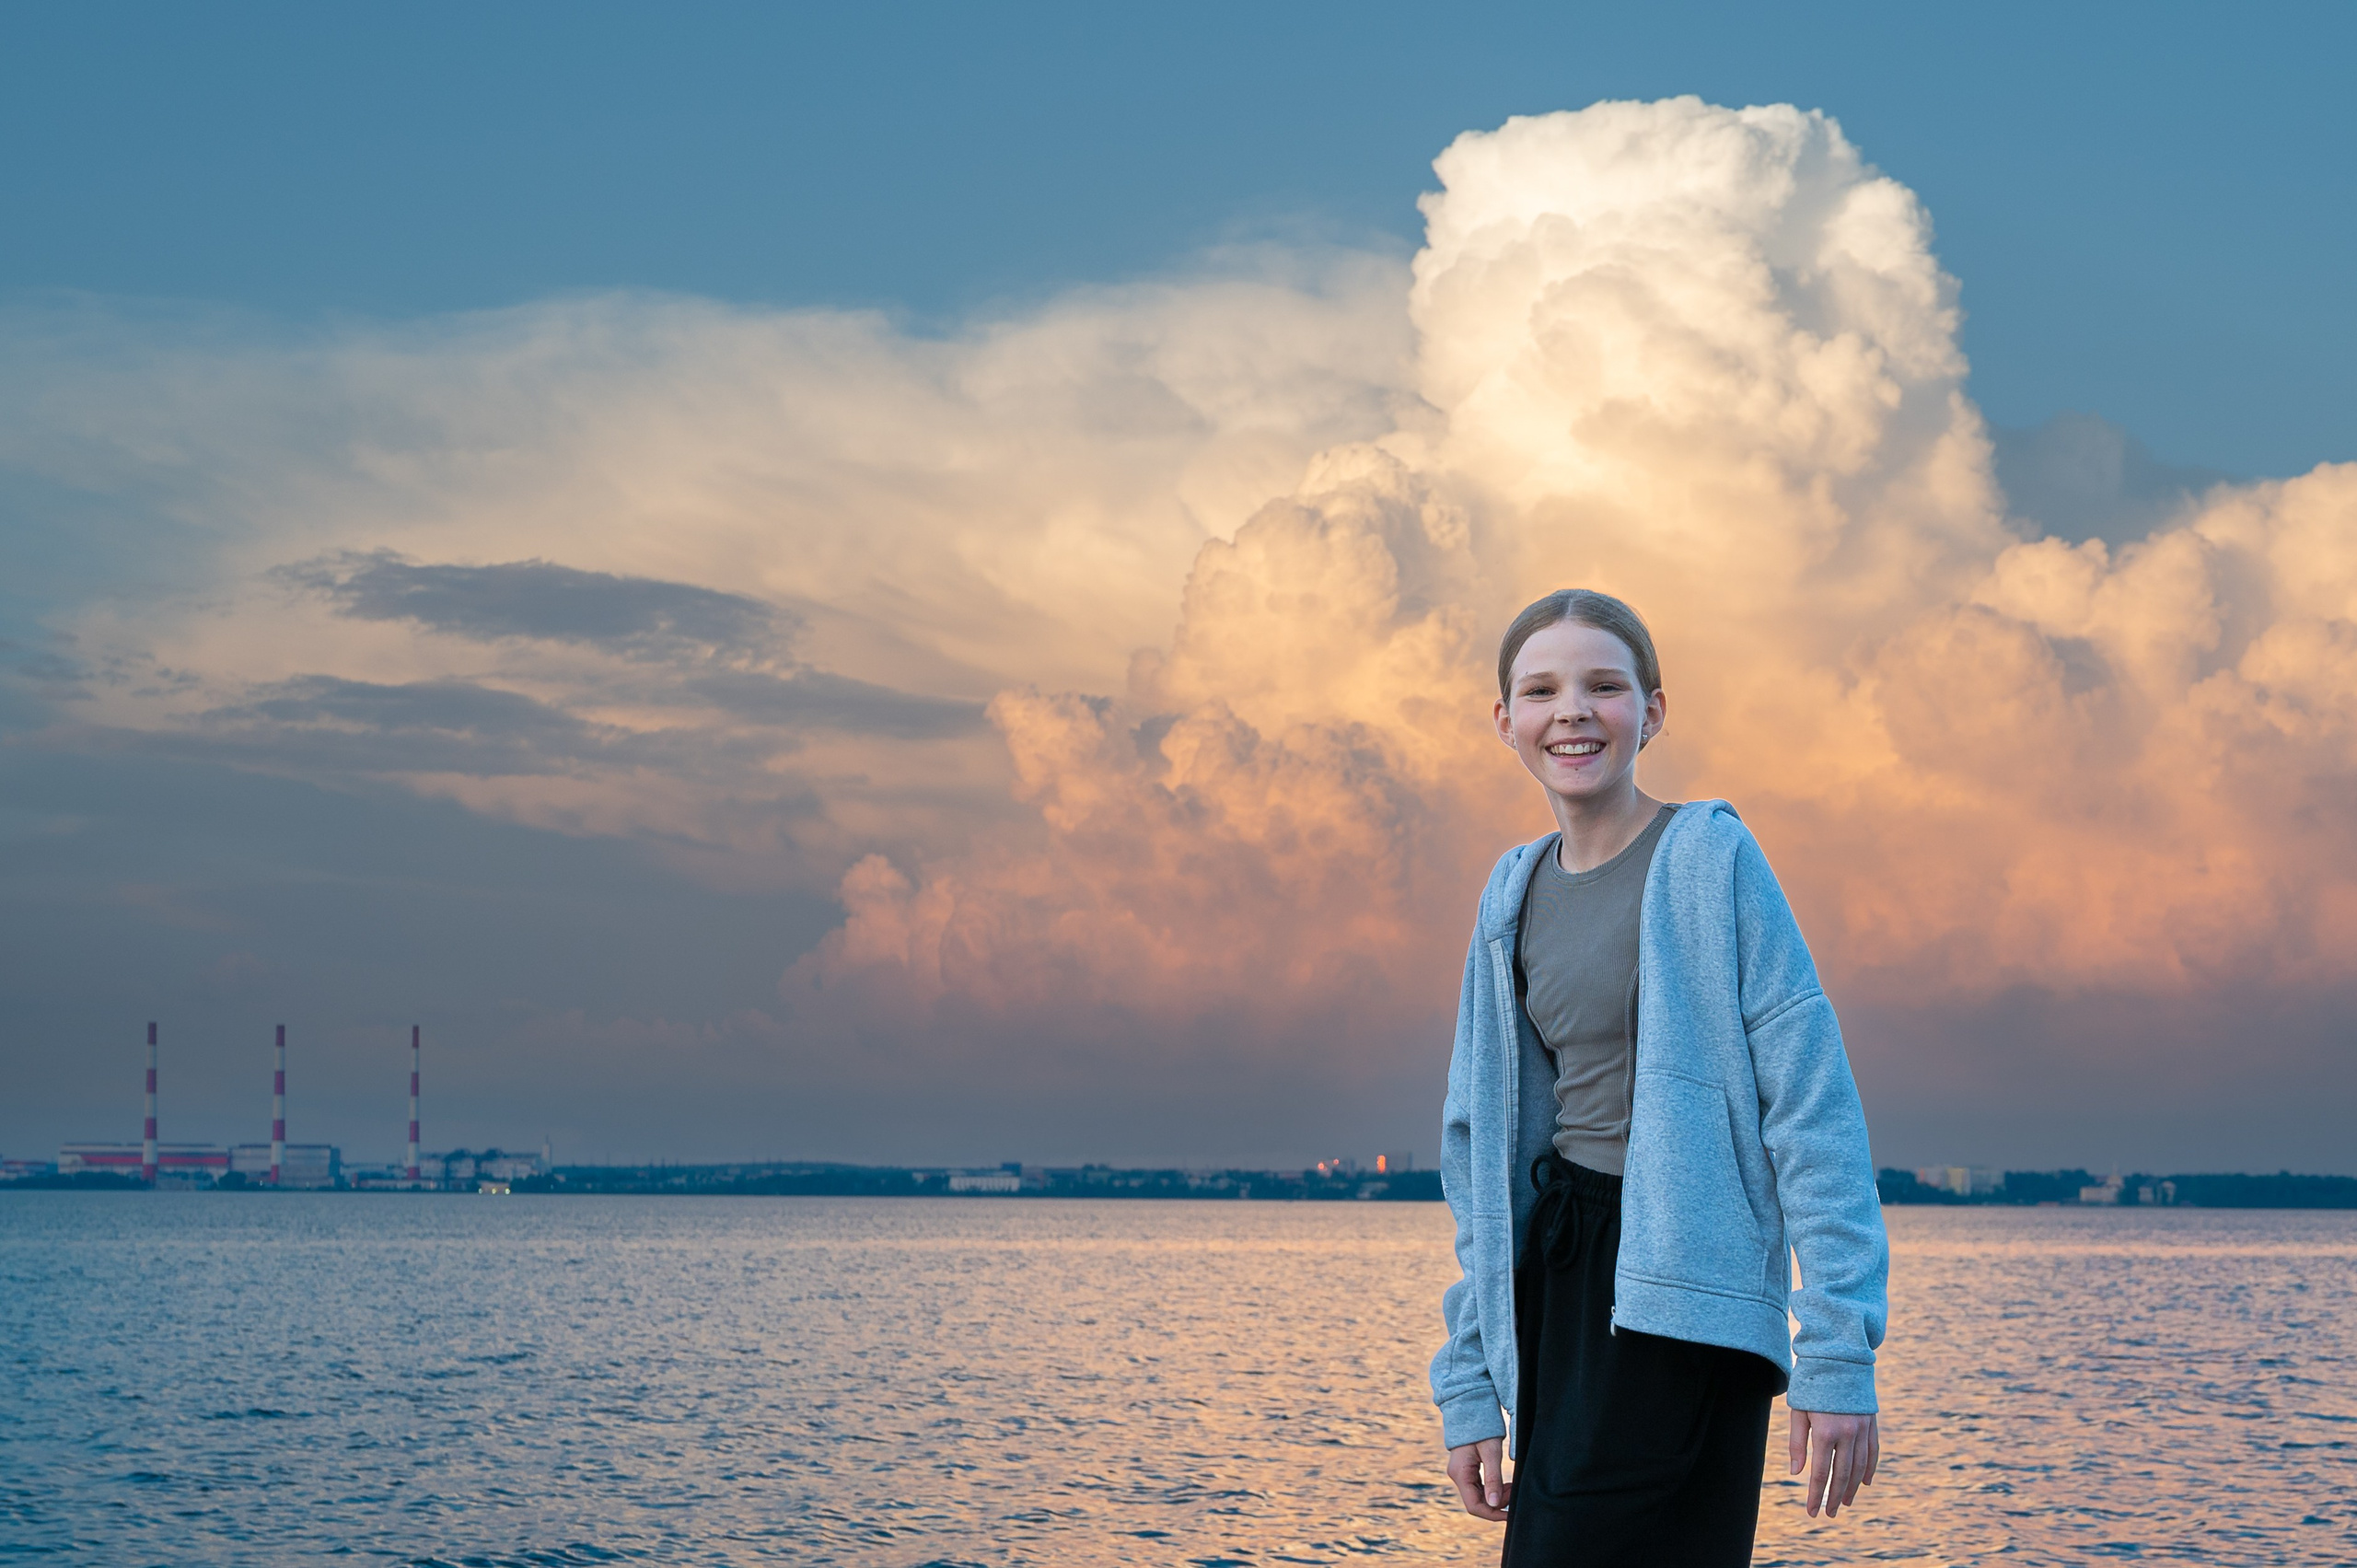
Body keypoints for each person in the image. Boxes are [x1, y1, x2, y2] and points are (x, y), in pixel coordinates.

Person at [1431, 589, 1888, 1566]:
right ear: (1503, 719)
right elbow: (1478, 1149)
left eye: (1604, 684)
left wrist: (1838, 1350)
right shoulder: (1510, 891)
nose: (1572, 711)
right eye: (1541, 689)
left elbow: (1810, 1109)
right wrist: (1470, 1375)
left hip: (1685, 1287)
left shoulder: (1710, 857)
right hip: (1559, 1275)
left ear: (1653, 709)